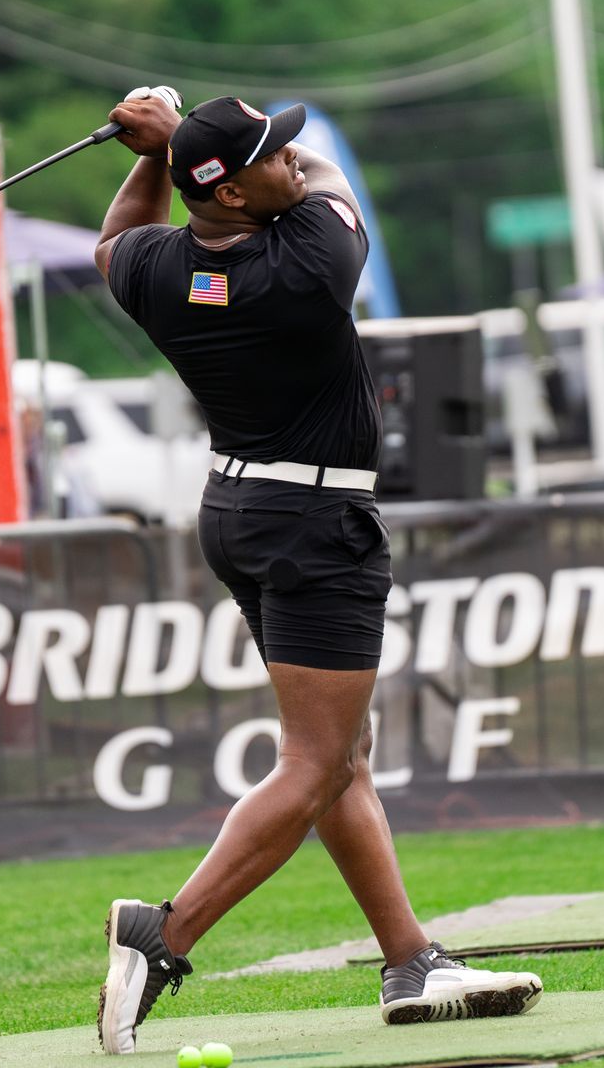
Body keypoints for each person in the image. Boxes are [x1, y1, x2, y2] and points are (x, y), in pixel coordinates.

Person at [91, 90, 542, 1054]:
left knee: (341, 755)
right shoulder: (307, 262)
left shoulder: (158, 270)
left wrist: (158, 157)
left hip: (239, 512)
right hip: (315, 518)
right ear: (239, 196)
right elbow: (331, 193)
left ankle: (410, 960)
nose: (293, 160)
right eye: (271, 156)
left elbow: (117, 240)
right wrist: (174, 145)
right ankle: (160, 936)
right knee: (315, 763)